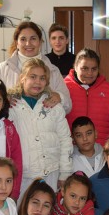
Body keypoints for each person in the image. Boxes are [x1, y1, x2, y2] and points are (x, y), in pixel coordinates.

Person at [8, 58, 73, 197]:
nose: (38, 82)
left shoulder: (53, 105)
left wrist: (65, 172)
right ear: (22, 79)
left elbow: (65, 140)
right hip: (23, 175)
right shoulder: (12, 106)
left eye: (42, 78)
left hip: (51, 173)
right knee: (24, 214)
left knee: (47, 213)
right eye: (33, 77)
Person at [0, 21, 72, 113]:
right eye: (23, 39)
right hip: (11, 125)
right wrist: (3, 99)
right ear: (16, 43)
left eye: (33, 38)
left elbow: (68, 106)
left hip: (44, 126)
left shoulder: (53, 70)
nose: (28, 43)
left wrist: (60, 97)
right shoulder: (3, 69)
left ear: (40, 42)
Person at [64, 48, 109, 145]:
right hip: (70, 150)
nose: (89, 73)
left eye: (94, 69)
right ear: (75, 67)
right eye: (84, 68)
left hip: (102, 150)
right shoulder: (63, 88)